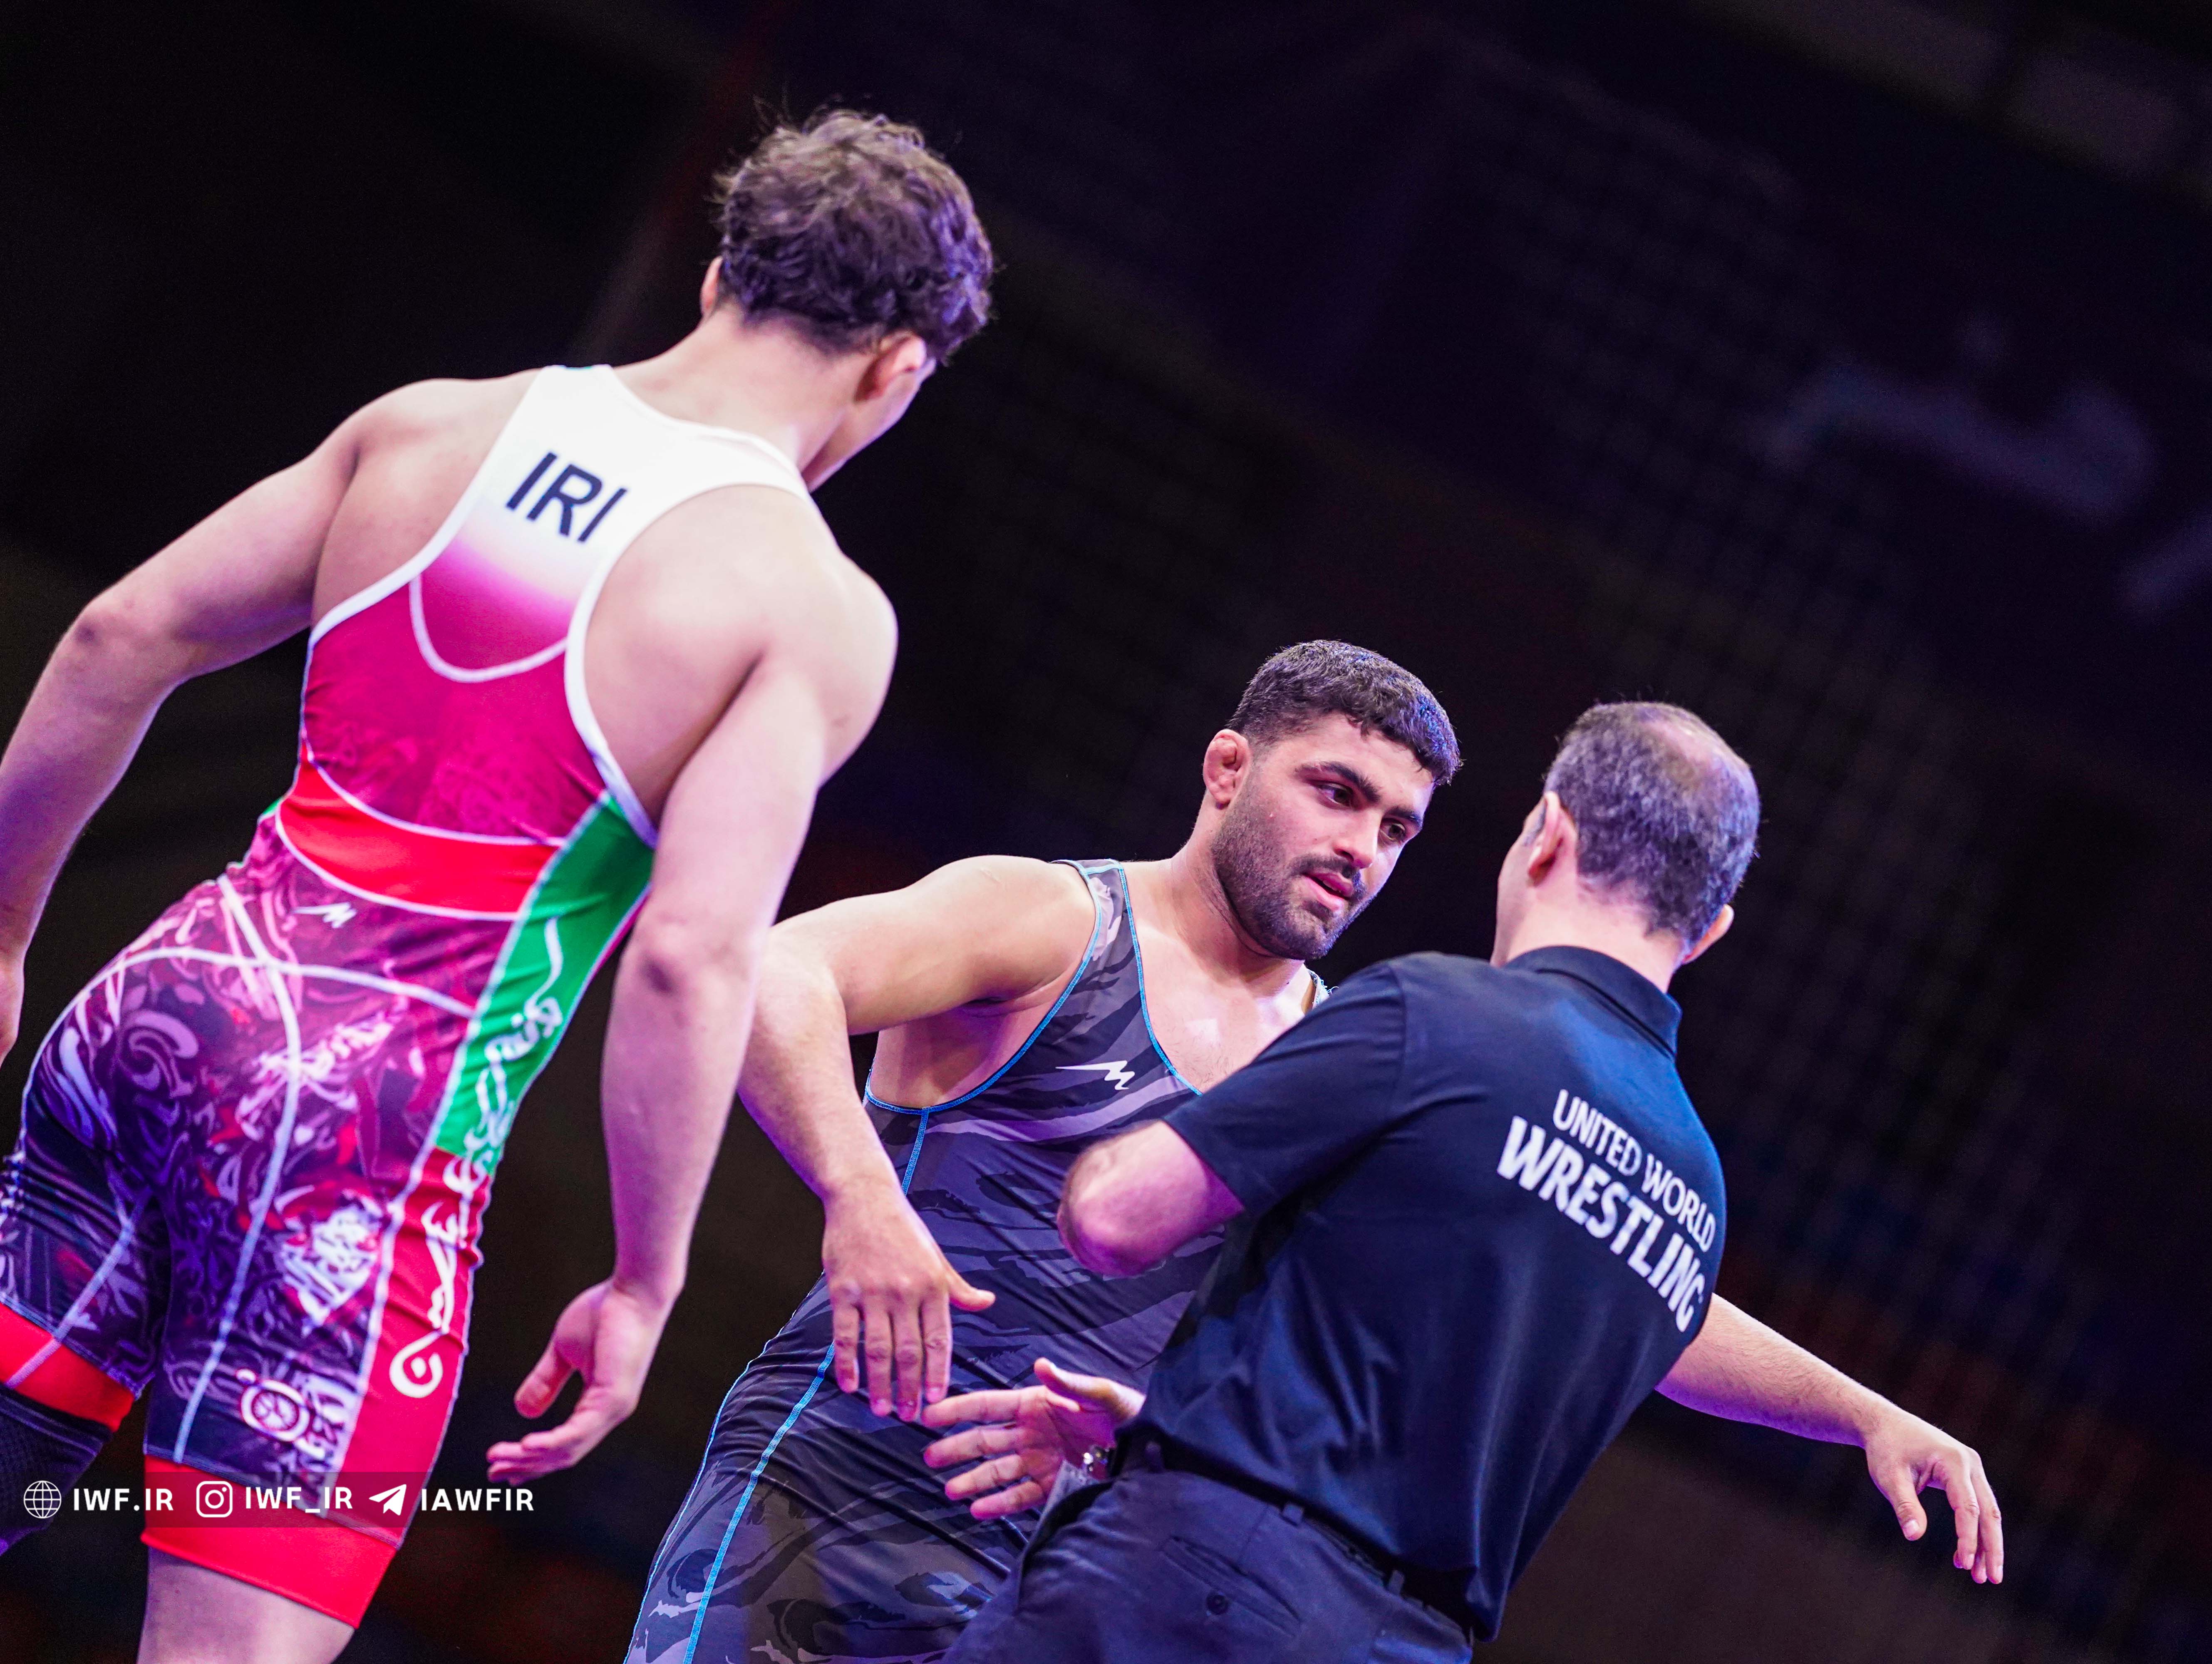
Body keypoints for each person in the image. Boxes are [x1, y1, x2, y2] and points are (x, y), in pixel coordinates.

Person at [0, 110, 989, 1663]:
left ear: (720, 275)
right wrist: (646, 1279)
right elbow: (688, 957)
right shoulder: (809, 605)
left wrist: (5, 932)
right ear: (898, 371)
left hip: (157, 1014)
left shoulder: (433, 427)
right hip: (366, 1142)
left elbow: (119, 638)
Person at [931, 703, 2004, 1662]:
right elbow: (1629, 1329)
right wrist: (1866, 1413)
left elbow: (1113, 1219)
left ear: (1548, 834)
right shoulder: (1694, 1188)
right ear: (1711, 927)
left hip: (1198, 1576)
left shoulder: (1437, 1017)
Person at [625, 642, 1461, 1664]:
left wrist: (1144, 1435)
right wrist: (862, 1195)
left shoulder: (1342, 1066)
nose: (1360, 848)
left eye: (1395, 828)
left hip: (1067, 1592)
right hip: (831, 1502)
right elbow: (774, 970)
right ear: (1229, 768)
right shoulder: (1058, 923)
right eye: (1337, 792)